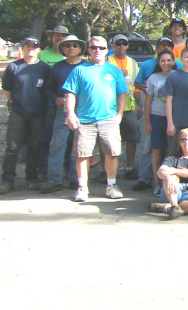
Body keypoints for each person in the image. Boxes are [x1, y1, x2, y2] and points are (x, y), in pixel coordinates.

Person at [62, 36, 129, 202]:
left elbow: (122, 94)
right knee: (82, 154)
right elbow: (70, 94)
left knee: (112, 153)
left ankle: (111, 185)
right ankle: (82, 188)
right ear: (88, 50)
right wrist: (71, 113)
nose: (97, 50)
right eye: (93, 47)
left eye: (101, 47)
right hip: (84, 120)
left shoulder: (113, 71)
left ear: (107, 50)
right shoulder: (79, 70)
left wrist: (119, 115)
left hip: (108, 119)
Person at [1, 37, 51, 193]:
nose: (31, 48)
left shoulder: (44, 68)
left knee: (34, 147)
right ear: (22, 48)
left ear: (38, 49)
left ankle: (31, 178)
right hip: (18, 113)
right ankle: (7, 180)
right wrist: (14, 103)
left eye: (34, 46)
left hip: (38, 114)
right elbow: (7, 89)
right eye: (27, 45)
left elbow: (48, 91)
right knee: (12, 148)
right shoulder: (13, 67)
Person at [40, 35, 86, 193]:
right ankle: (54, 179)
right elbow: (48, 88)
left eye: (74, 45)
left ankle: (75, 178)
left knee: (78, 145)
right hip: (63, 111)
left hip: (82, 110)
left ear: (80, 49)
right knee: (58, 145)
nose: (71, 48)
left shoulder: (87, 67)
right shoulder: (57, 68)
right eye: (67, 46)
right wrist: (55, 98)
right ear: (63, 50)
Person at [159, 47, 188, 188]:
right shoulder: (174, 76)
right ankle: (165, 186)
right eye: (186, 57)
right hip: (177, 121)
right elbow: (168, 100)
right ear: (181, 58)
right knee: (172, 152)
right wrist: (170, 123)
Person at [149, 127, 188, 220]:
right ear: (179, 142)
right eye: (183, 140)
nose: (186, 143)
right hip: (171, 191)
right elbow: (160, 171)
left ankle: (167, 208)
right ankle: (173, 206)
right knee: (170, 176)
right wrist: (168, 177)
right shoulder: (172, 158)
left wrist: (173, 170)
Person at [107, 34, 142, 181]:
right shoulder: (107, 62)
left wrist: (140, 104)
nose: (121, 46)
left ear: (127, 46)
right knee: (107, 139)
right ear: (113, 46)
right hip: (110, 106)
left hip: (129, 106)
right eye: (118, 43)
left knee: (132, 138)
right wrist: (117, 75)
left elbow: (137, 86)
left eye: (124, 44)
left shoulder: (133, 63)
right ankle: (106, 170)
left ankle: (129, 167)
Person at [143, 51, 176, 192]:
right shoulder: (153, 78)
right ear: (158, 62)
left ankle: (170, 183)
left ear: (173, 61)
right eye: (163, 60)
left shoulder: (176, 76)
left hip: (174, 118)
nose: (166, 63)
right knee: (156, 149)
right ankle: (156, 183)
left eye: (169, 60)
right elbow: (148, 101)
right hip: (157, 117)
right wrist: (148, 122)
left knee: (172, 151)